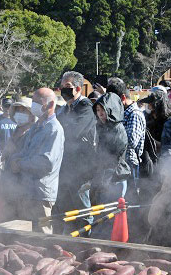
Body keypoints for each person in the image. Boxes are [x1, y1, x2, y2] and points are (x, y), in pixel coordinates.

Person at [7, 88, 65, 233]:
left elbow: (46, 163)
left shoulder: (54, 129)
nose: (34, 106)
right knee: (26, 235)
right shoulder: (36, 127)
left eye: (38, 102)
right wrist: (14, 158)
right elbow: (25, 151)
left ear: (50, 105)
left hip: (41, 193)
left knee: (42, 236)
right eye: (33, 101)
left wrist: (19, 164)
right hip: (27, 190)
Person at [54, 71, 97, 234]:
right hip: (65, 166)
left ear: (78, 88)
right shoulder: (64, 109)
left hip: (81, 169)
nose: (63, 90)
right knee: (67, 208)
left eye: (67, 86)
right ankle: (69, 240)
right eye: (62, 86)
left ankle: (86, 240)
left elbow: (74, 132)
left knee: (83, 209)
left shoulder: (86, 107)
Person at [90, 93, 131, 239]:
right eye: (98, 110)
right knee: (101, 215)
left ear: (111, 110)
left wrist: (101, 180)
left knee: (110, 217)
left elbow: (112, 158)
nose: (100, 113)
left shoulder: (118, 129)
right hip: (104, 176)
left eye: (103, 110)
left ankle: (107, 245)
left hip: (115, 177)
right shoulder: (101, 128)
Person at [0, 98, 37, 222]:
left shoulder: (34, 133)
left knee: (22, 221)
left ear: (32, 115)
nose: (20, 113)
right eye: (18, 110)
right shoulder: (15, 131)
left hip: (24, 188)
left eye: (23, 111)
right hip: (8, 184)